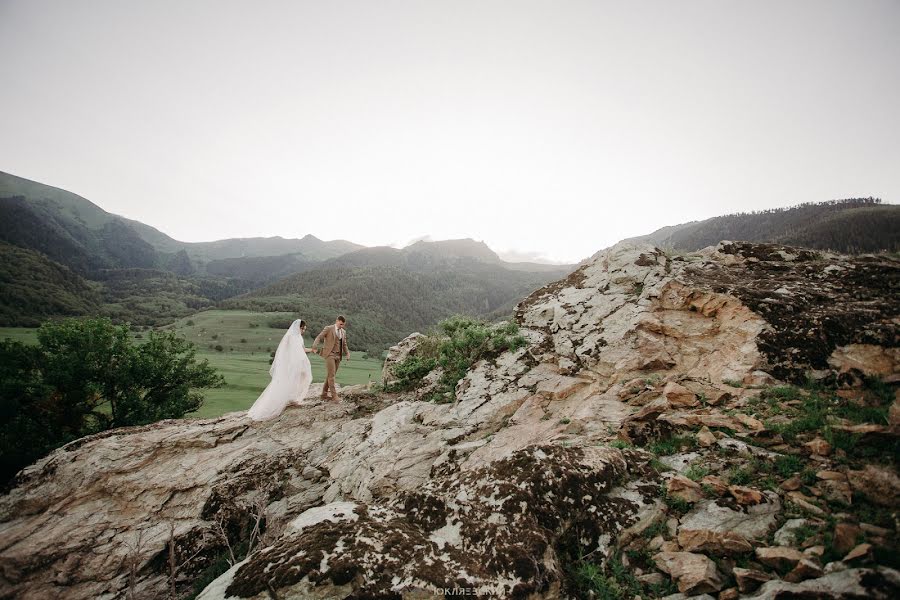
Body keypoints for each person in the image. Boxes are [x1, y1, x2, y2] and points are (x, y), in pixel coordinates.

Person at [247, 319, 315, 421]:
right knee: (288, 381)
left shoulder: (299, 337)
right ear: (299, 328)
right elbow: (284, 350)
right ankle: (286, 400)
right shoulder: (290, 337)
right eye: (303, 329)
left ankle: (294, 398)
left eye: (304, 329)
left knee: (303, 377)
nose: (304, 331)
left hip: (299, 362)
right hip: (291, 363)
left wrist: (312, 350)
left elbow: (303, 349)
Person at [312, 315, 350, 401]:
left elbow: (344, 344)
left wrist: (347, 353)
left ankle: (323, 394)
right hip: (329, 354)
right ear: (337, 321)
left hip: (338, 355)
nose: (342, 326)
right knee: (332, 375)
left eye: (343, 325)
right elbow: (319, 337)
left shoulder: (343, 332)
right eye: (340, 324)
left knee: (330, 375)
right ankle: (334, 396)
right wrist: (314, 346)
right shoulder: (329, 328)